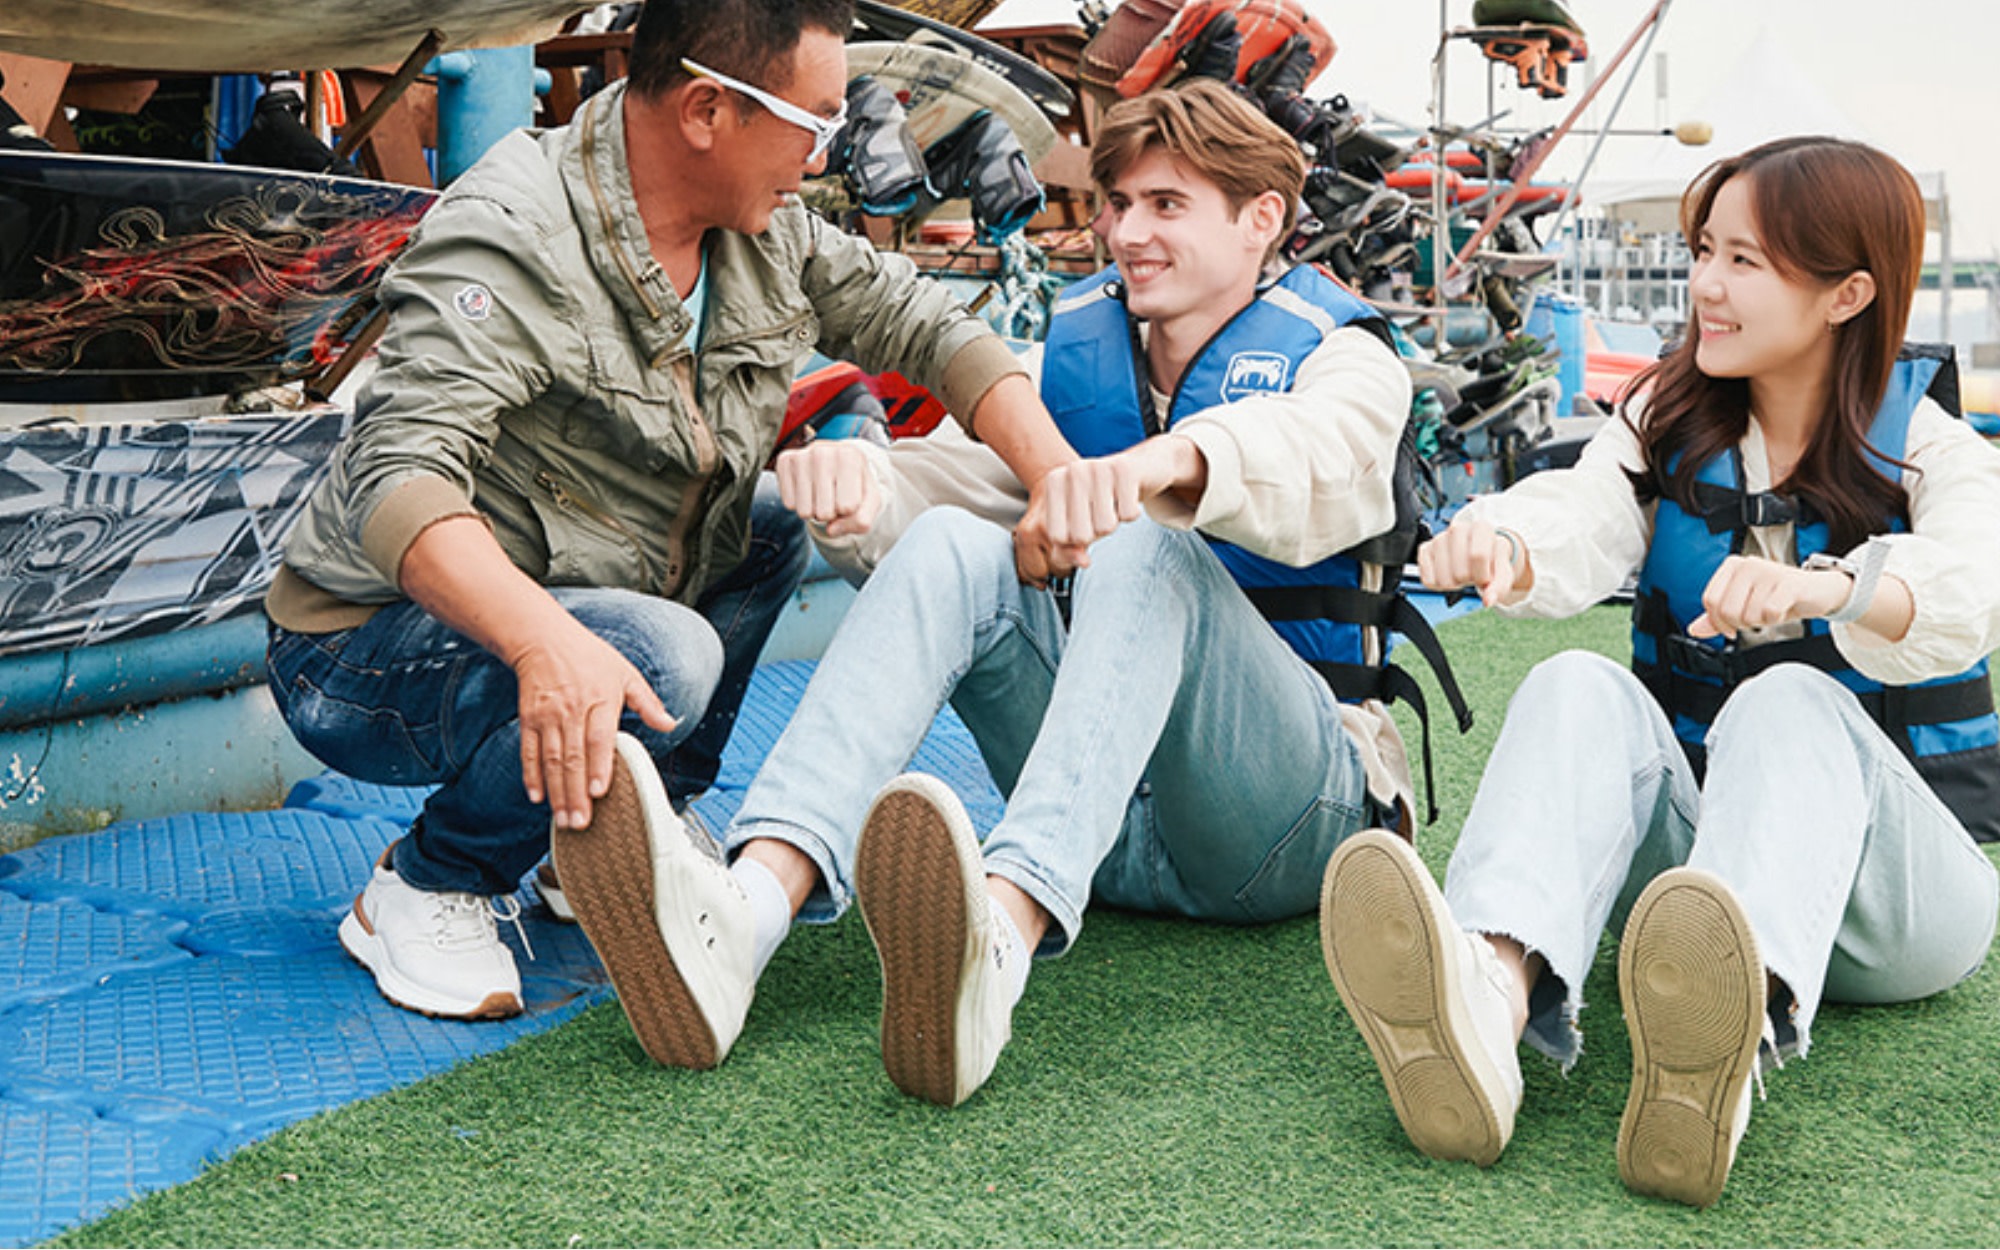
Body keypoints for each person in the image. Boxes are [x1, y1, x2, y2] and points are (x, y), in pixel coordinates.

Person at [551, 80, 1449, 1104]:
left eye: (1165, 205)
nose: (1125, 232)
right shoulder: (1070, 350)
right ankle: (745, 912)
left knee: (1143, 547)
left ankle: (1000, 942)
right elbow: (951, 483)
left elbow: (1319, 458)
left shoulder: (1347, 357)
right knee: (942, 541)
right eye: (1116, 203)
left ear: (1260, 220)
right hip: (1110, 832)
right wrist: (855, 486)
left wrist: (1162, 466)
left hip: (1287, 827)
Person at [263, 0, 1077, 1022]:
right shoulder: (513, 230)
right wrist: (545, 643)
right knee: (662, 654)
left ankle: (617, 829)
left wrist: (1053, 475)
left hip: (578, 593)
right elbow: (396, 479)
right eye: (814, 119)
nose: (826, 149)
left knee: (767, 525)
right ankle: (431, 880)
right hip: (365, 647)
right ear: (707, 109)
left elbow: (919, 322)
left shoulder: (761, 228)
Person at [1319, 136, 2000, 1207]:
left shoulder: (1929, 442)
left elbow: (1969, 589)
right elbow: (1572, 519)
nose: (1705, 287)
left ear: (1845, 293)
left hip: (1902, 910)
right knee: (1573, 683)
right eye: (1702, 251)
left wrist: (1831, 589)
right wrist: (1499, 540)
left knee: (1786, 693)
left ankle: (1723, 1052)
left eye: (1745, 261)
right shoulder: (1663, 419)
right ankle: (1483, 1003)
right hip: (1701, 887)